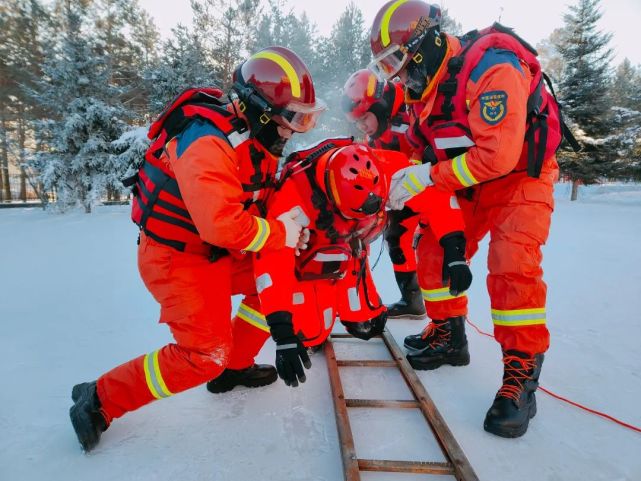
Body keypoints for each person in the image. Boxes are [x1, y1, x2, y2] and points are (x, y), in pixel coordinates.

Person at [68, 46, 325, 451]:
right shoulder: (206, 141)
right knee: (203, 356)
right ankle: (100, 397)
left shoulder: (256, 137)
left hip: (218, 251)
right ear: (256, 108)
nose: (294, 129)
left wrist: (292, 229)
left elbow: (254, 206)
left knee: (271, 280)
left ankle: (235, 367)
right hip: (177, 258)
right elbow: (222, 224)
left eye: (304, 118)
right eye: (291, 118)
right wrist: (280, 234)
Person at [369, 1, 565, 438]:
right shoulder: (430, 90)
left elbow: (498, 154)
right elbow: (427, 146)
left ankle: (520, 379)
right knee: (433, 251)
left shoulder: (492, 67)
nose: (397, 77)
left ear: (424, 45)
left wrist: (429, 176)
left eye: (397, 63)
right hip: (470, 179)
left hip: (521, 176)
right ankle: (449, 335)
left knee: (512, 265)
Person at [206, 138, 472, 393]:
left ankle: (353, 311)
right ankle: (234, 366)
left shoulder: (384, 169)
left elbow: (436, 194)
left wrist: (454, 248)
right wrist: (283, 332)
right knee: (308, 331)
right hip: (310, 257)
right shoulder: (293, 196)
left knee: (367, 321)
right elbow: (273, 266)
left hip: (352, 250)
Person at [341, 69, 426, 320]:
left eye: (364, 118)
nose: (362, 126)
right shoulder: (376, 132)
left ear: (378, 107)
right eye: (357, 123)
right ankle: (412, 300)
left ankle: (447, 321)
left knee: (433, 251)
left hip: (432, 188)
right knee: (396, 237)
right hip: (403, 194)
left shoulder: (414, 113)